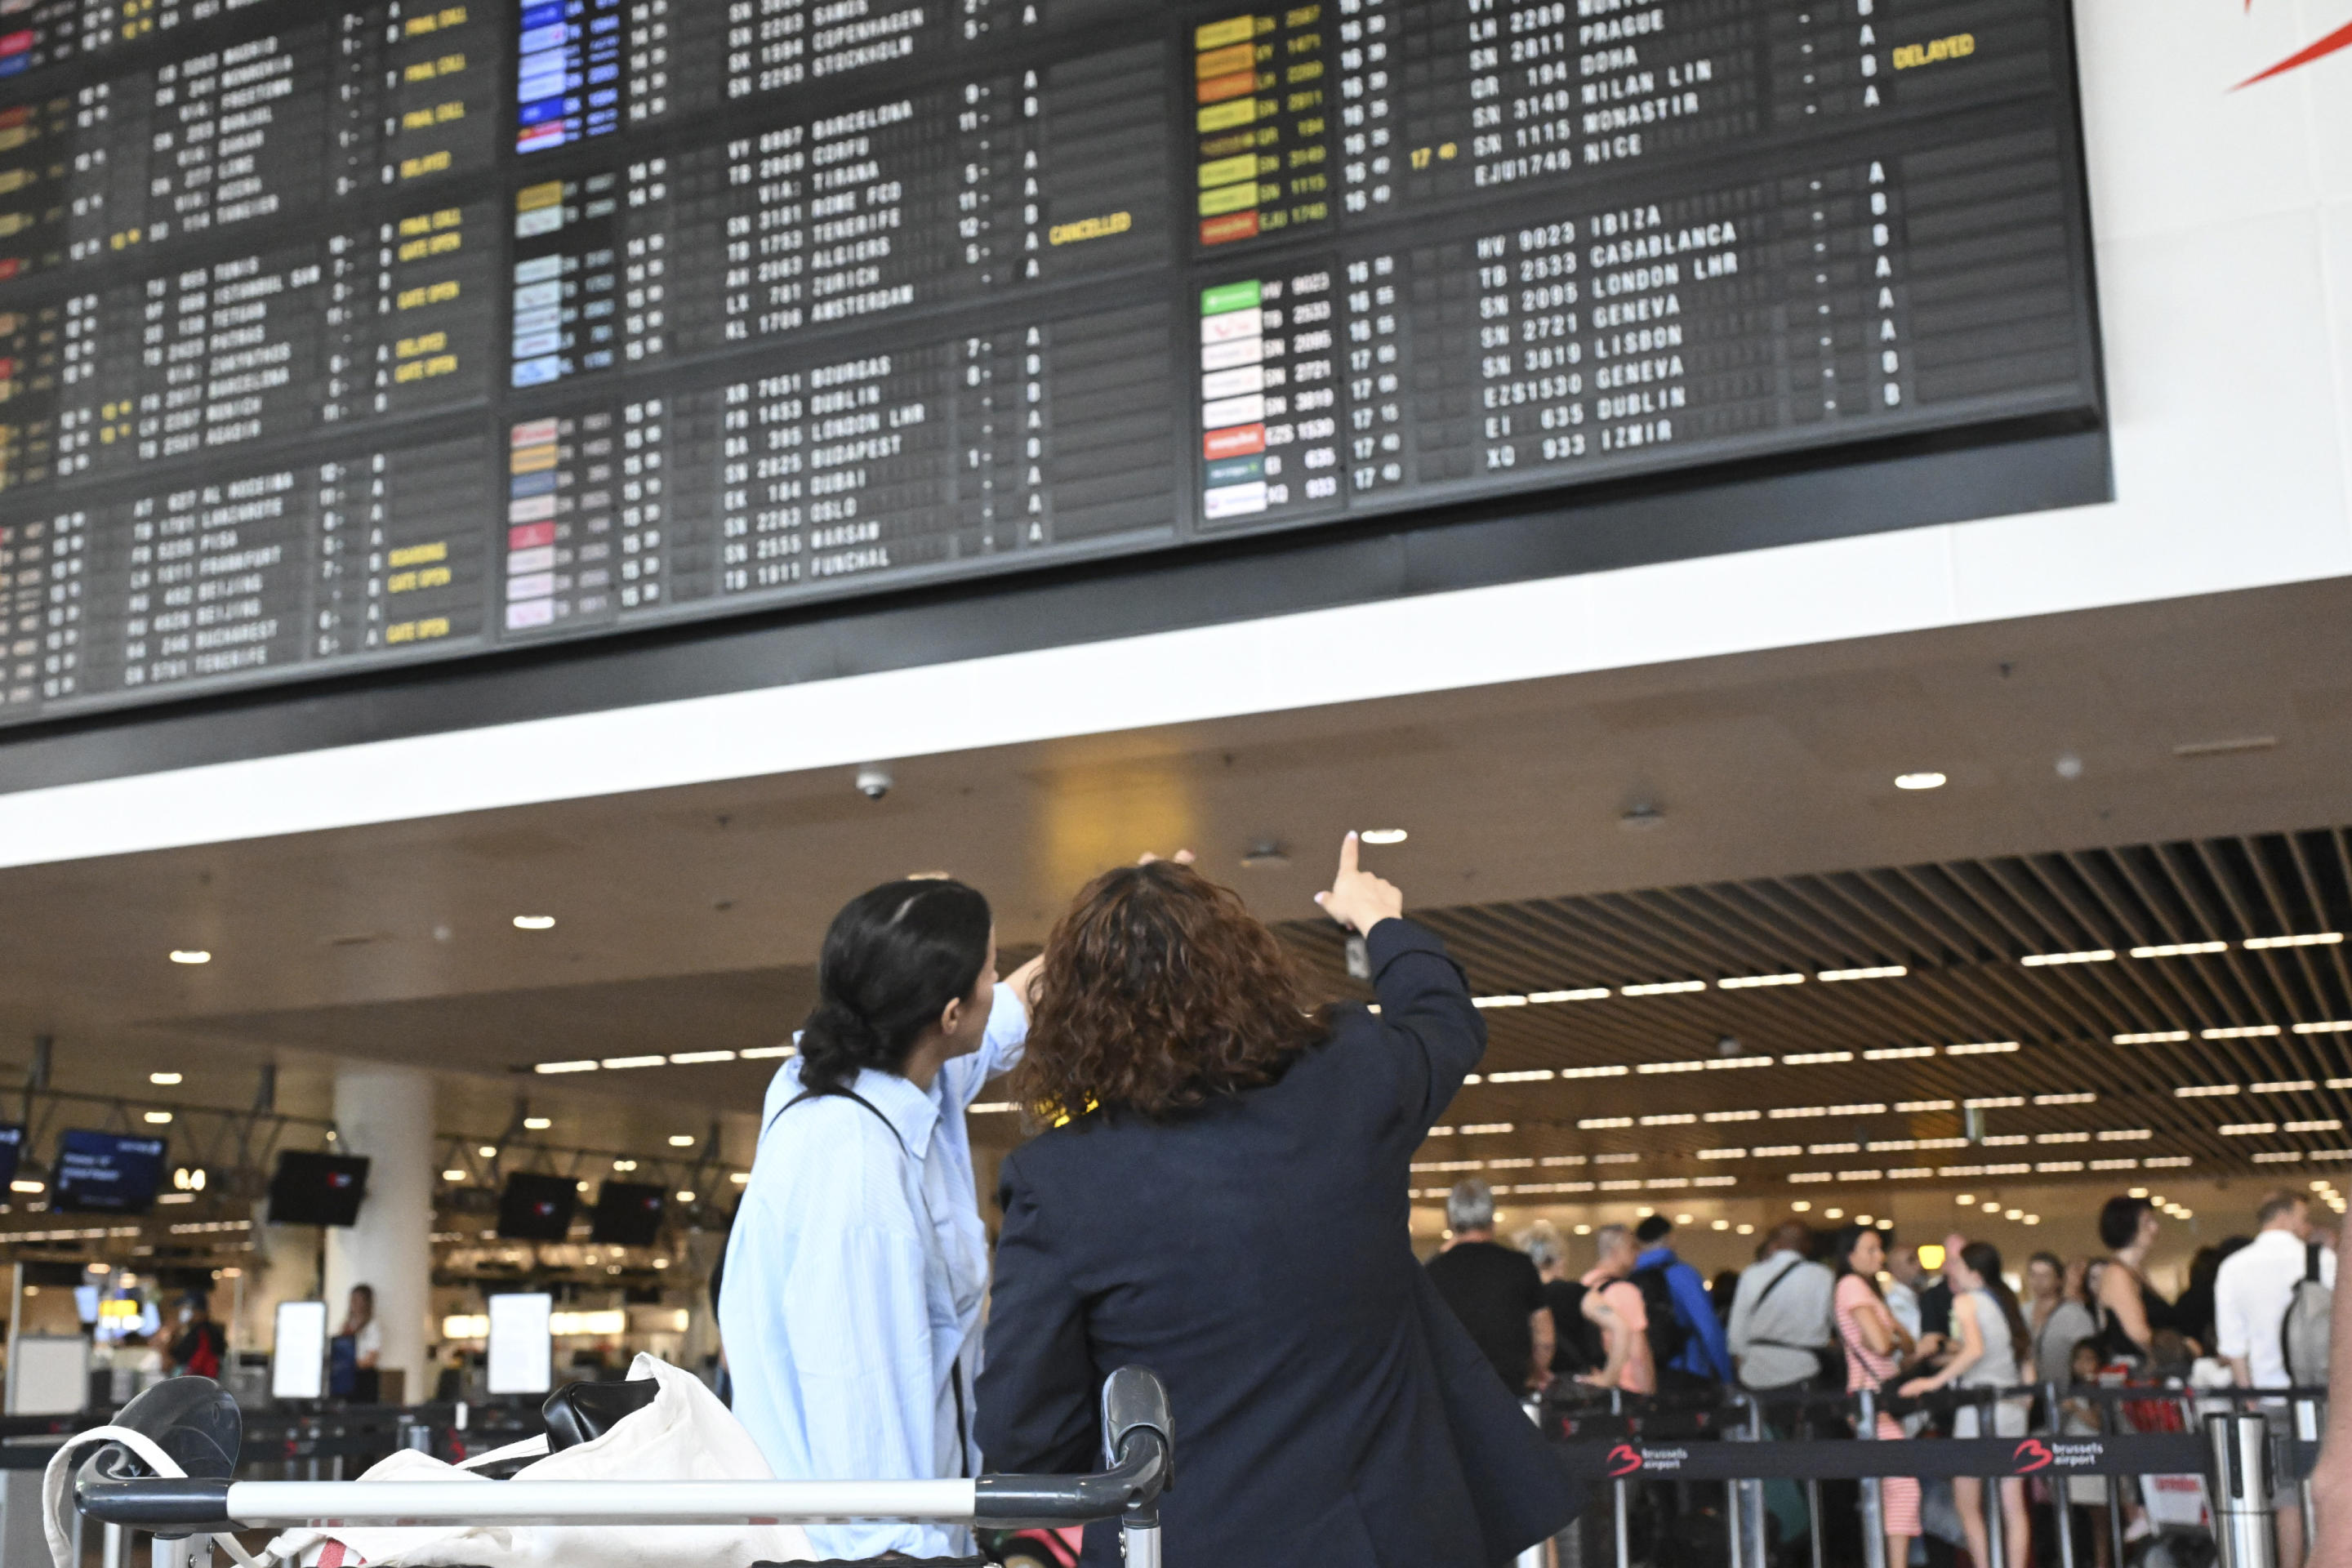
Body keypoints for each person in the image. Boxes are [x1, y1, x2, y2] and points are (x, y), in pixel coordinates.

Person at [977, 837, 1581, 1567]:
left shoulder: (1061, 1181)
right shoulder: (1349, 1080)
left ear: (1074, 1012)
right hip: (1392, 1537)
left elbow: (1026, 1427)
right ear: (1247, 971)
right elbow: (1445, 1021)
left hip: (1188, 1542)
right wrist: (1377, 919)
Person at [720, 875, 1040, 1562]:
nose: (999, 981)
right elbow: (860, 1417)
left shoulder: (881, 1080)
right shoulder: (855, 1173)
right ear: (951, 1015)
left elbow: (1015, 1010)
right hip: (865, 1554)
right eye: (989, 969)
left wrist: (1121, 908)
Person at [2215, 1190, 2334, 1568]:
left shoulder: (2233, 1267)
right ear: (2284, 1216)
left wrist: (2251, 1399)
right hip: (2321, 1397)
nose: (2307, 1227)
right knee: (2333, 1491)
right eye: (2303, 1218)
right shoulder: (2320, 1259)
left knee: (2286, 1502)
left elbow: (2233, 1346)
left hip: (2266, 1397)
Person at [1900, 1241, 2030, 1568]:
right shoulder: (2003, 1302)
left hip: (1978, 1407)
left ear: (1974, 1271)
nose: (1949, 1269)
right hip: (2011, 1406)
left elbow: (1974, 1350)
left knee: (1966, 1499)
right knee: (2013, 1504)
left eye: (1956, 1264)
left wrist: (1932, 1381)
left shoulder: (1966, 1301)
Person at [1831, 1224, 1918, 1564]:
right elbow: (1886, 1344)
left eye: (1879, 1248)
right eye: (1870, 1249)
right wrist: (1889, 1336)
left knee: (1892, 1487)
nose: (1879, 1256)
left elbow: (1901, 1342)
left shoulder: (1869, 1289)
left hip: (1876, 1398)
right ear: (1849, 1255)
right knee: (1902, 1486)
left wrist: (1889, 1336)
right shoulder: (1852, 1286)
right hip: (1869, 1400)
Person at [1426, 1179, 1554, 1393]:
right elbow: (1545, 1337)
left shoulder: (1432, 1271)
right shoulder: (1519, 1265)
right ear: (1492, 1218)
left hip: (1452, 1393)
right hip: (1509, 1388)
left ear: (1450, 1221)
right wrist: (1534, 1375)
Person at [1726, 1219, 1835, 1396]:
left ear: (1776, 1243)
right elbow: (1835, 1320)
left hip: (1756, 1371)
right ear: (1807, 1245)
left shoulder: (1752, 1274)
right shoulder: (1823, 1276)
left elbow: (1737, 1327)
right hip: (1803, 1368)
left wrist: (1741, 1362)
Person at [1632, 1214, 1735, 1388]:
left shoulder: (1632, 1278)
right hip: (1687, 1370)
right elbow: (1708, 1328)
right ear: (1669, 1237)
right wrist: (1727, 1377)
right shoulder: (1682, 1274)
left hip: (1644, 1374)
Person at [2095, 1194, 2176, 1367]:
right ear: (2128, 1227)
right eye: (2147, 1222)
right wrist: (2181, 1350)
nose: (2155, 1228)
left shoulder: (2136, 1273)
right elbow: (2138, 1333)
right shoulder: (2118, 1274)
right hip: (2137, 1375)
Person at [1580, 1224, 1655, 1395]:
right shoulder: (1625, 1291)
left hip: (1595, 1384)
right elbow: (1638, 1353)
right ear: (1616, 1250)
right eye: (1632, 1247)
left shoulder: (1584, 1284)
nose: (1638, 1253)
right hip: (1627, 1387)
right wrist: (1648, 1395)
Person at [2060, 1339, 2116, 1568]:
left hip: (2096, 1456)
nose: (2083, 1365)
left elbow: (2098, 1423)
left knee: (2100, 1521)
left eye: (2089, 1359)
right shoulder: (2068, 1390)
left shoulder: (2102, 1389)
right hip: (2072, 1457)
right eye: (2078, 1360)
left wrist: (2075, 1408)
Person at [1520, 1221, 1596, 1379]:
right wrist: (1608, 1377)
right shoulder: (1574, 1292)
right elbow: (1619, 1326)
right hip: (1576, 1382)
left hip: (1537, 1383)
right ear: (1559, 1258)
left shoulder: (1520, 1296)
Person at [2026, 1250, 2097, 1392]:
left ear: (2058, 1280)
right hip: (2030, 1394)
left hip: (2066, 1393)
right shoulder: (2022, 1313)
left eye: (2045, 1275)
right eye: (2033, 1275)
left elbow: (2090, 1356)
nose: (2038, 1281)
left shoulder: (2075, 1315)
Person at [338, 1284, 381, 1403]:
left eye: (358, 1299)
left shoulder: (372, 1326)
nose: (354, 1303)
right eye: (353, 1299)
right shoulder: (347, 1325)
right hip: (346, 1376)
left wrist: (353, 1364)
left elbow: (372, 1357)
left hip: (364, 1377)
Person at [168, 1292, 226, 1379]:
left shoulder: (203, 1333)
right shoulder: (200, 1330)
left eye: (185, 1308)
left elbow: (172, 1363)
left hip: (195, 1384)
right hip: (200, 1383)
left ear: (198, 1311)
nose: (181, 1312)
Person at [1884, 1242, 1928, 1344]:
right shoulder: (1894, 1303)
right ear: (1895, 1270)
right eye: (1911, 1260)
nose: (1920, 1265)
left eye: (1919, 1258)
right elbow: (1917, 1338)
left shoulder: (1920, 1295)